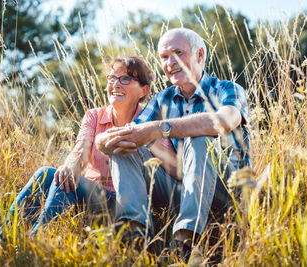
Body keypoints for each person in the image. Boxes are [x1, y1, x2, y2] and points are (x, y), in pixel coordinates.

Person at [96, 28, 250, 262]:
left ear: (199, 55)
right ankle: (134, 239)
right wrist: (108, 142)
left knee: (200, 138)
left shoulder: (226, 89)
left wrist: (159, 128)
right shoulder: (162, 98)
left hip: (228, 192)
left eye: (178, 53)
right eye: (164, 57)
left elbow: (224, 120)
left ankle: (184, 242)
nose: (170, 63)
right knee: (125, 147)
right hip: (183, 188)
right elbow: (129, 133)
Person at [0, 55, 178, 240]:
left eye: (126, 78)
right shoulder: (94, 116)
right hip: (90, 195)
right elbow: (80, 150)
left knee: (68, 185)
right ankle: (1, 241)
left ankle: (35, 243)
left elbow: (171, 168)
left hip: (124, 205)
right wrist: (70, 166)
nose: (116, 84)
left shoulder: (151, 121)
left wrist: (148, 139)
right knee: (47, 174)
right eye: (112, 78)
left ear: (143, 90)